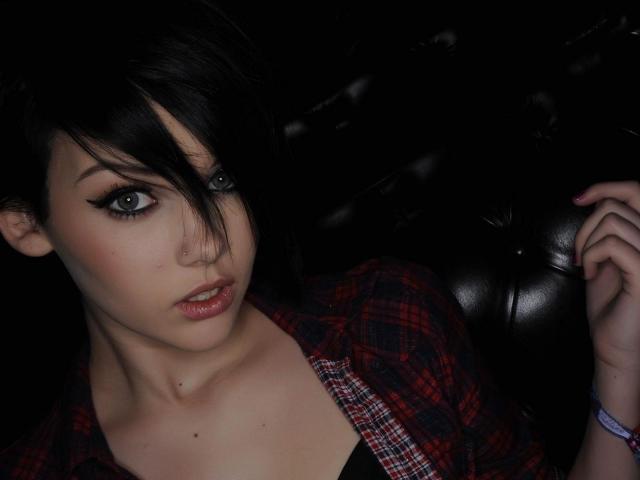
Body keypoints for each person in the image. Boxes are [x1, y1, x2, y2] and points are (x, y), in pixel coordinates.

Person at [0, 0, 638, 478]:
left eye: (221, 179)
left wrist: (619, 369)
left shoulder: (387, 321)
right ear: (28, 225)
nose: (206, 244)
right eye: (132, 200)